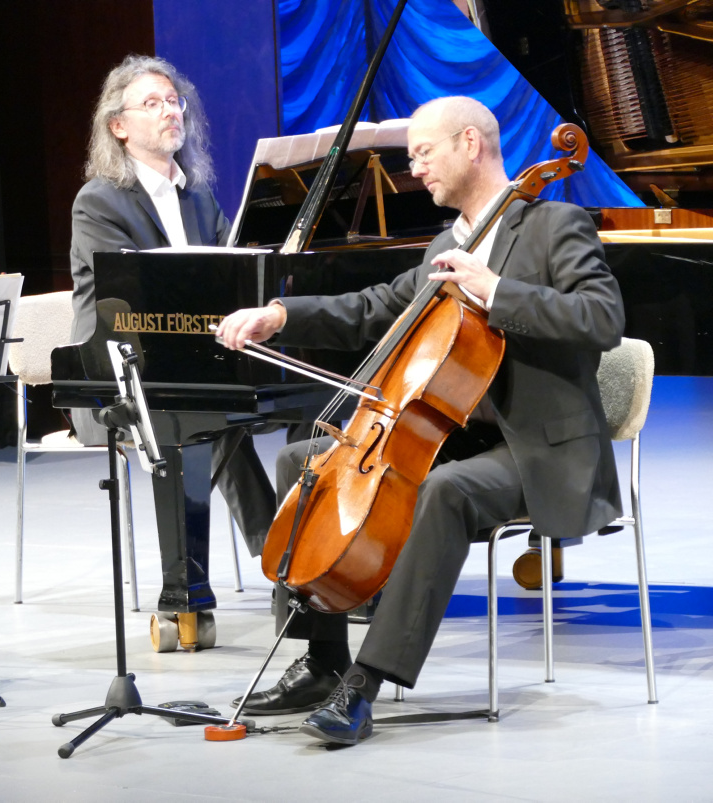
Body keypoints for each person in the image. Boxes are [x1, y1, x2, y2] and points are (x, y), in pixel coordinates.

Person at [216, 96, 624, 745]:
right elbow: (374, 306)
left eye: (424, 152)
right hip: (462, 436)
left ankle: (365, 685)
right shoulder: (445, 244)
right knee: (304, 462)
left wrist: (495, 290)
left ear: (470, 142)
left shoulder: (555, 224)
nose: (415, 168)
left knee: (444, 492)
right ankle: (322, 659)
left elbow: (603, 320)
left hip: (540, 452)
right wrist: (281, 314)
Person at [69, 54, 276, 559]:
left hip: (192, 365)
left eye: (174, 101)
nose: (170, 111)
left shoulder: (198, 198)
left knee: (297, 400)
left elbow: (238, 277)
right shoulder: (98, 202)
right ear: (118, 125)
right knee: (209, 416)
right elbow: (133, 300)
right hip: (116, 376)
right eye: (153, 103)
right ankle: (279, 563)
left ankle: (312, 555)